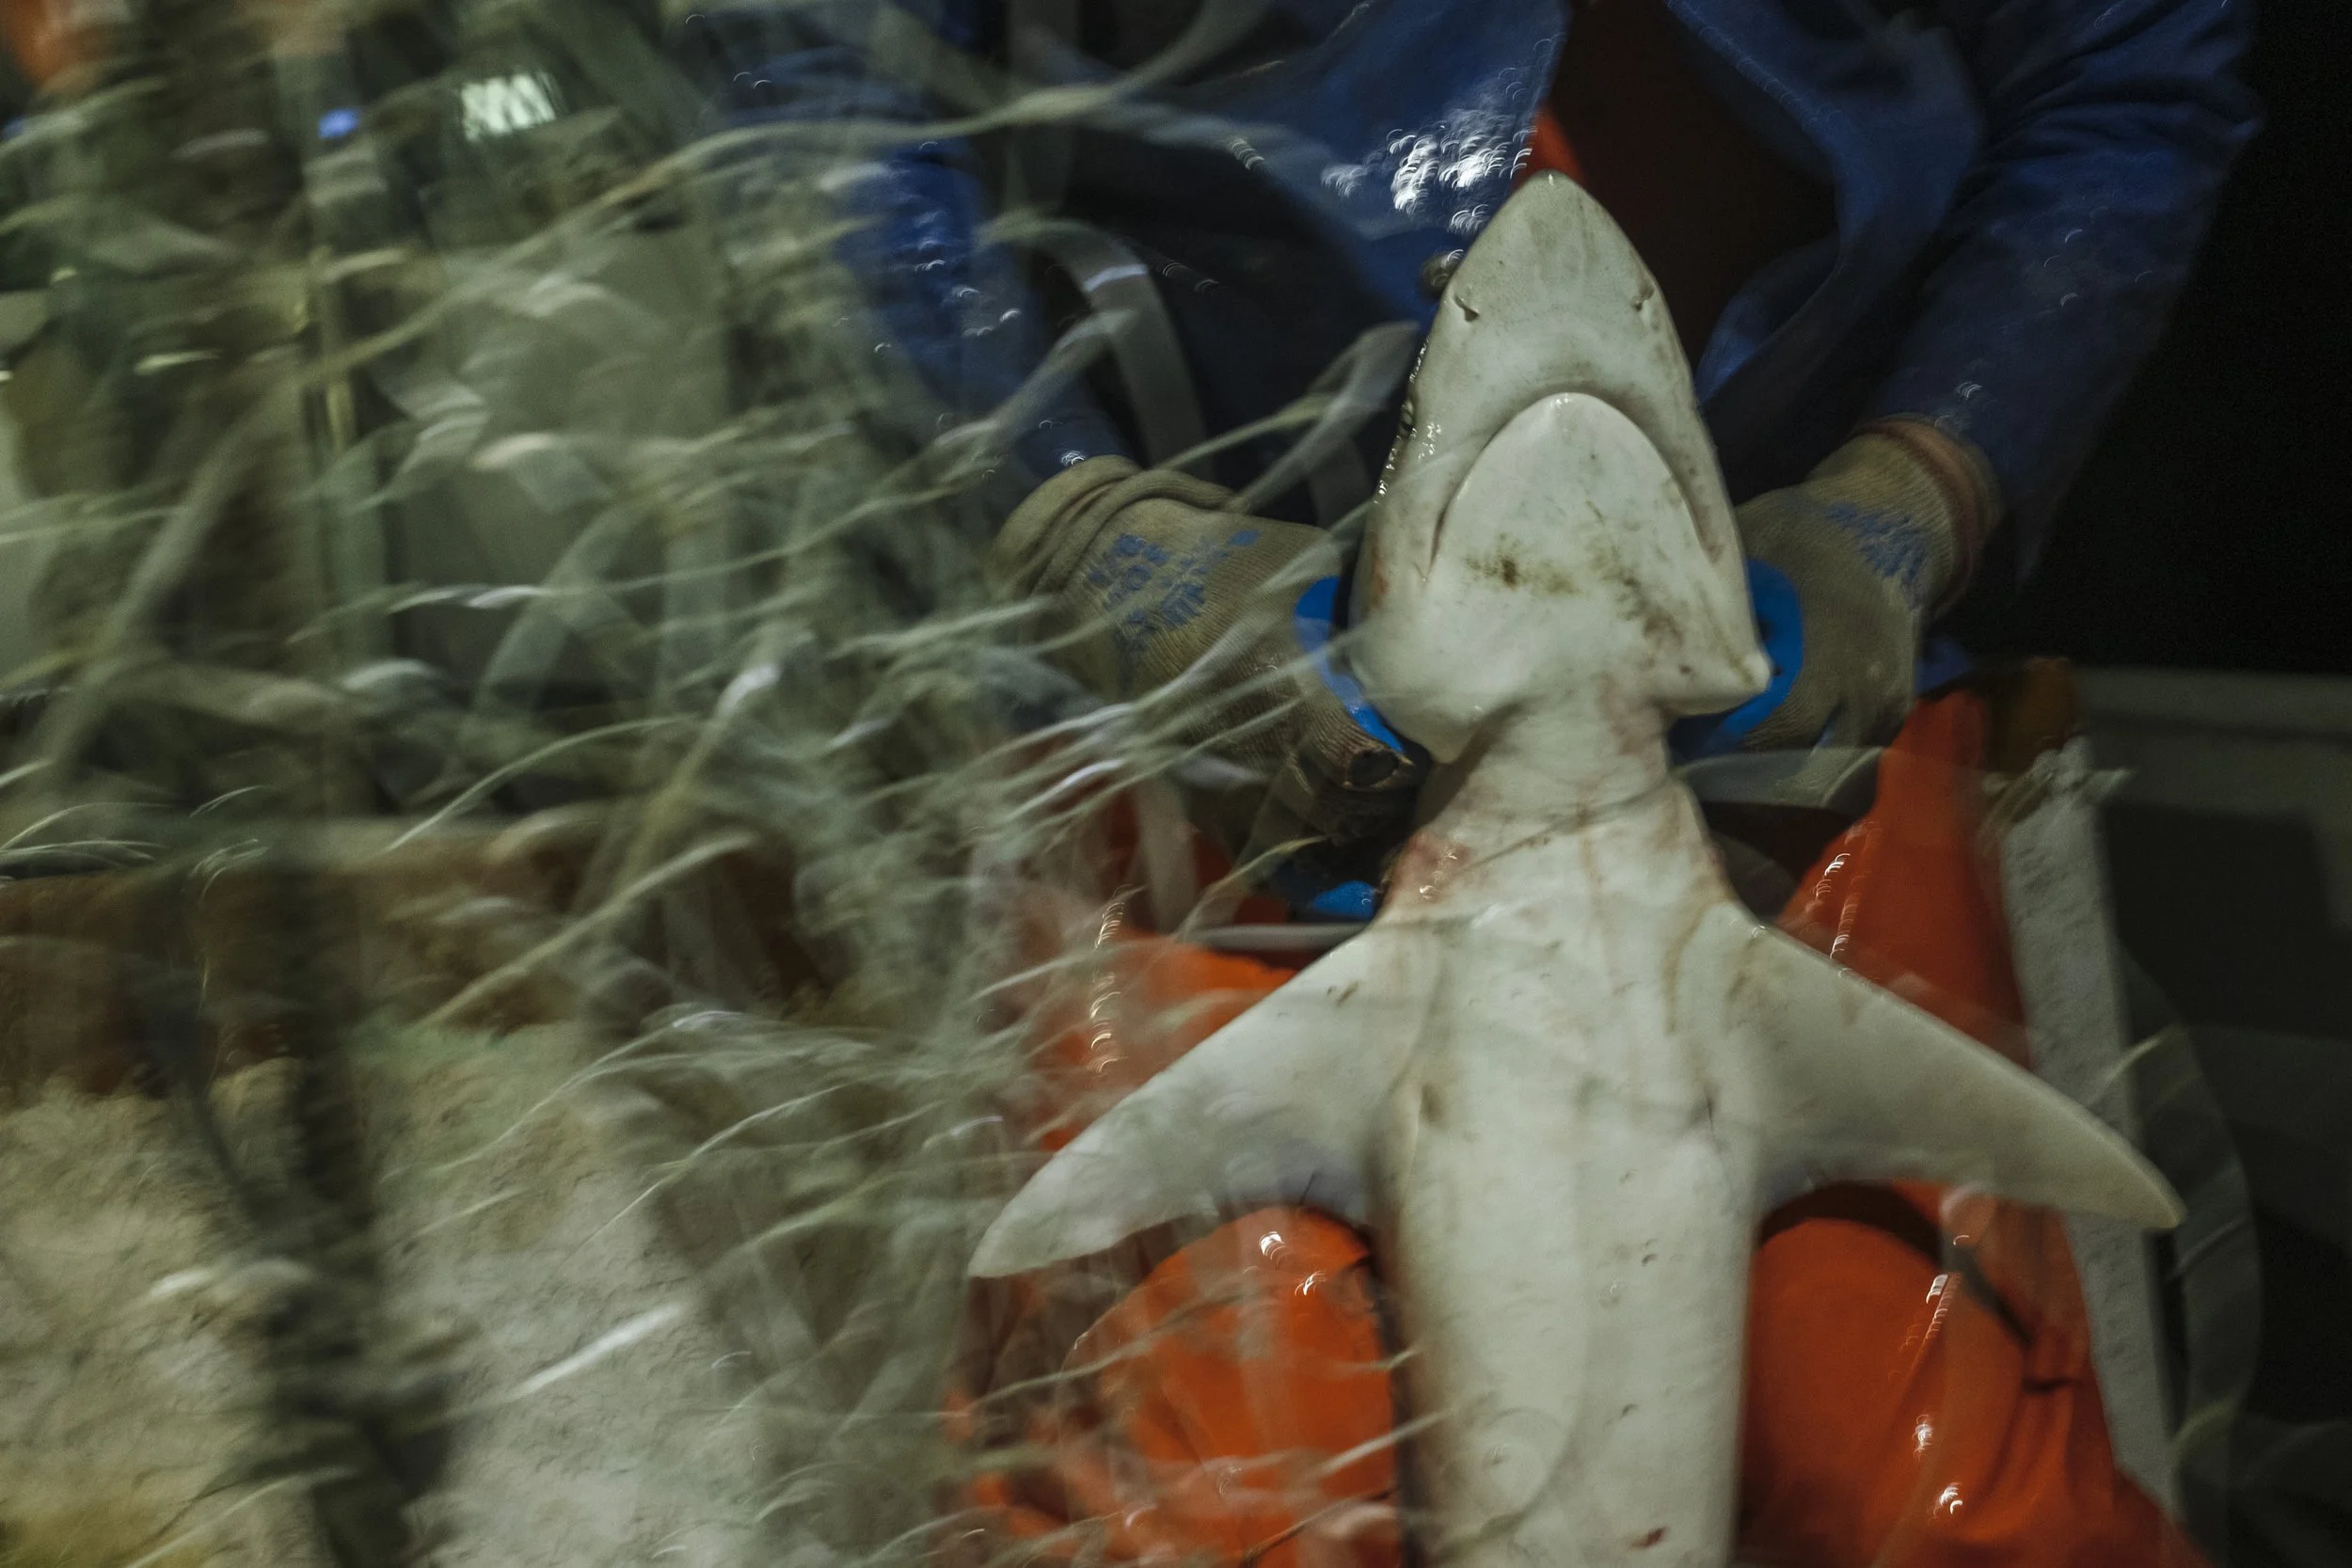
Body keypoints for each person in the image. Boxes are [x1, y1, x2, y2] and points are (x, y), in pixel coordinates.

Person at [683, 0, 2256, 873]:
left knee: (1958, 1438)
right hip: (1185, 670)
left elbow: (2126, 75)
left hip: (1807, 678)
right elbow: (808, 95)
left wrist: (1924, 487)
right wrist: (1081, 526)